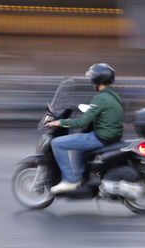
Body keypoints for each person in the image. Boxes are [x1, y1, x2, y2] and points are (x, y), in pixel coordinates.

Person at [45, 63, 124, 194]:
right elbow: (100, 112)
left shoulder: (101, 98)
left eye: (92, 78)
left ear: (97, 79)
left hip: (101, 137)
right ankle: (80, 177)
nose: (90, 81)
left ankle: (70, 181)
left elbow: (82, 122)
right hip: (111, 134)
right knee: (78, 147)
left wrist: (60, 123)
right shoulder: (112, 94)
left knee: (57, 143)